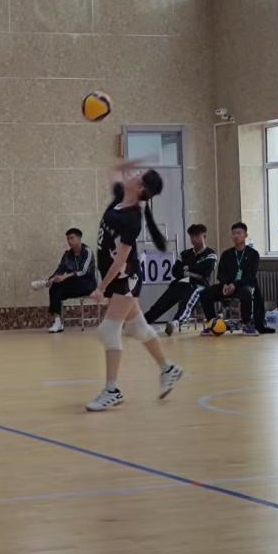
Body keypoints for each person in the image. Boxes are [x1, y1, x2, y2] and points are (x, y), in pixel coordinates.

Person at [83, 164, 183, 412]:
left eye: (137, 175)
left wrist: (101, 287)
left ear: (139, 187)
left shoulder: (131, 219)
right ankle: (168, 369)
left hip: (125, 278)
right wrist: (127, 162)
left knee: (108, 330)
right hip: (119, 278)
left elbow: (120, 261)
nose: (132, 175)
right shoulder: (120, 197)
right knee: (138, 328)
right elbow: (114, 170)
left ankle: (112, 391)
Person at [144, 223, 217, 335]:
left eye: (197, 236)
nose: (194, 239)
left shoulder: (210, 254)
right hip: (181, 283)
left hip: (199, 285)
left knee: (188, 301)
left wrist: (187, 269)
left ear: (204, 236)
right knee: (162, 302)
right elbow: (175, 271)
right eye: (191, 236)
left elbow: (205, 272)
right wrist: (193, 271)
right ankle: (144, 322)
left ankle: (176, 322)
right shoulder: (185, 254)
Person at [32, 227, 97, 333]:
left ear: (79, 238)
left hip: (87, 285)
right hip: (75, 285)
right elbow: (60, 269)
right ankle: (58, 322)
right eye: (68, 239)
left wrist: (65, 277)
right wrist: (52, 279)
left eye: (72, 238)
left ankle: (47, 283)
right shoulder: (67, 255)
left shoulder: (87, 251)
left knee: (61, 282)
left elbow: (83, 271)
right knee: (55, 287)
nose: (69, 241)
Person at [202, 221, 261, 336]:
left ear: (245, 235)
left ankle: (247, 324)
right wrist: (225, 284)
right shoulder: (226, 254)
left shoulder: (253, 254)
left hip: (242, 286)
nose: (236, 236)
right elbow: (221, 274)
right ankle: (212, 324)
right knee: (205, 293)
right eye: (234, 233)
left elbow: (250, 276)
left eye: (239, 233)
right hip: (226, 286)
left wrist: (235, 285)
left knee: (247, 293)